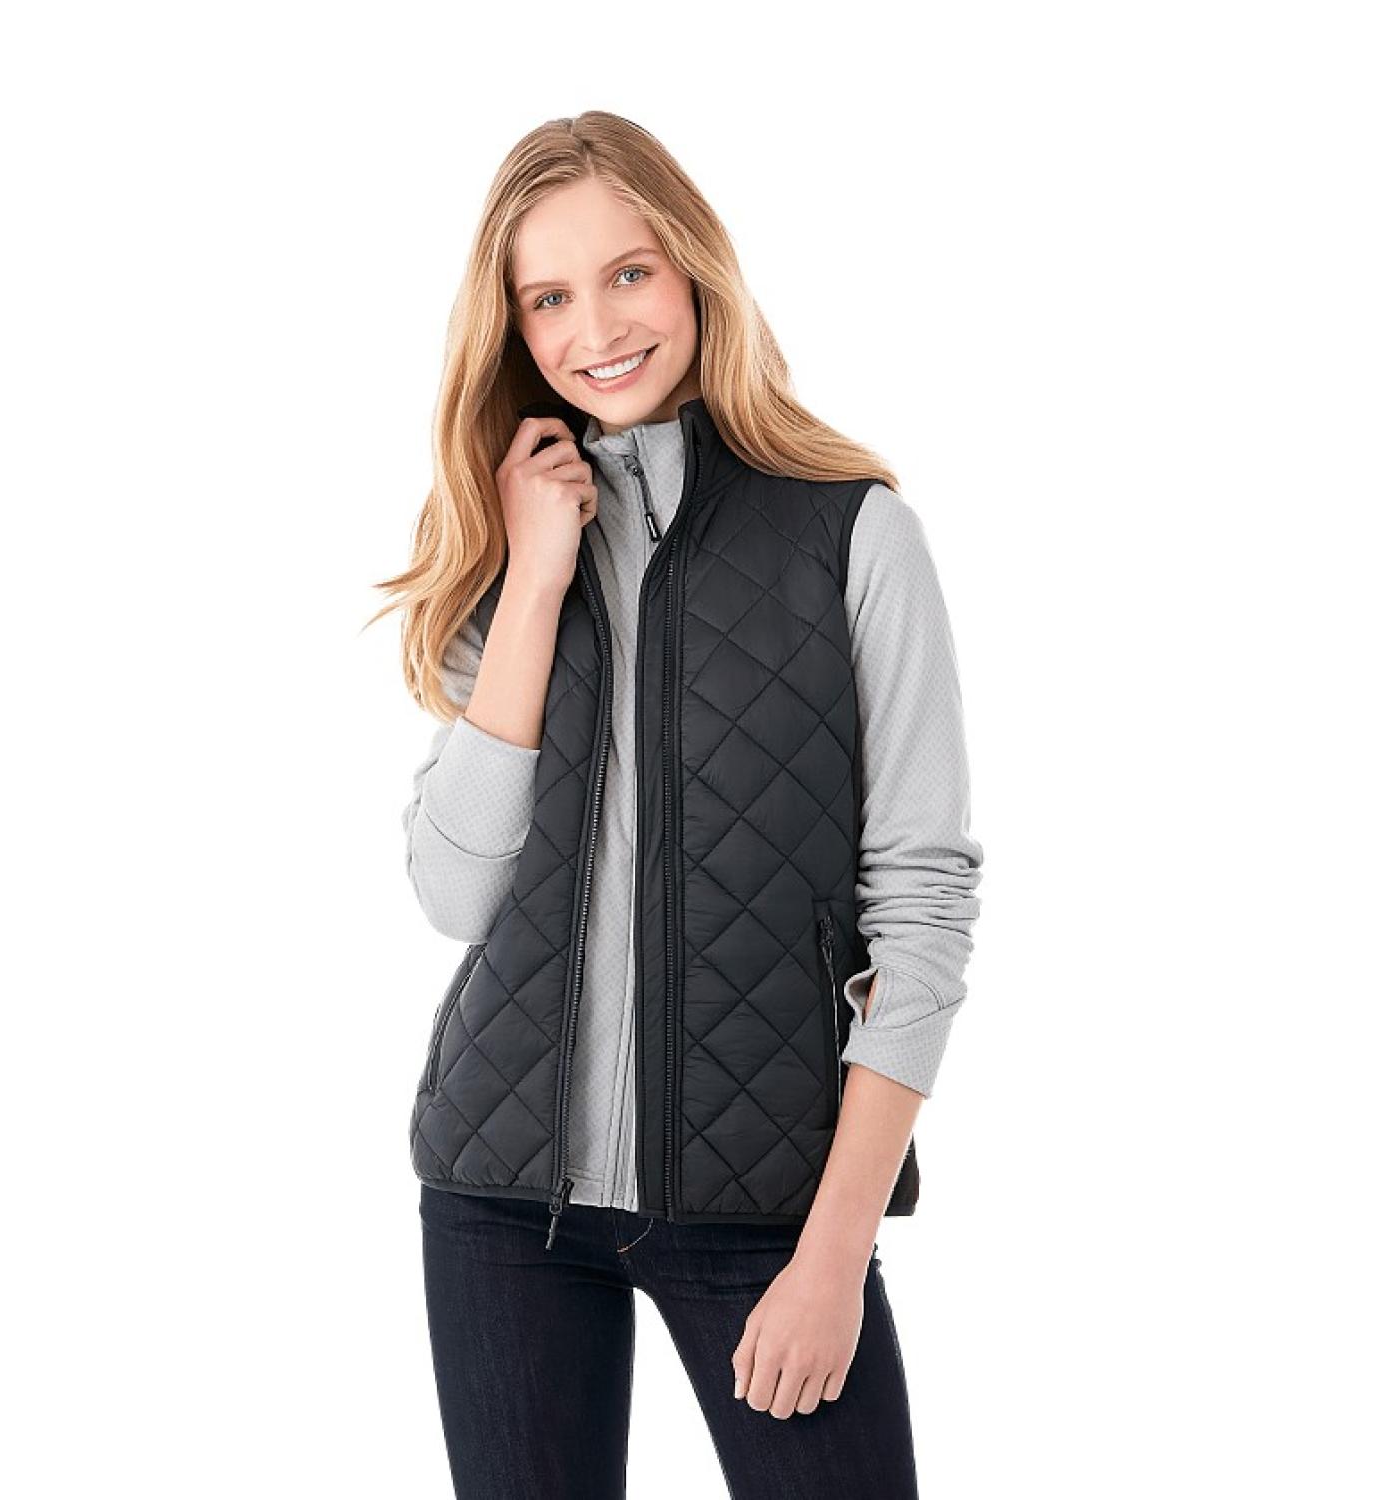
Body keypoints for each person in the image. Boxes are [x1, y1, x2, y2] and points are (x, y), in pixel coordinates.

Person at [373, 111, 984, 1500]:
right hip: (500, 1204)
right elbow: (456, 895)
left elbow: (923, 909)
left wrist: (836, 1252)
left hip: (767, 1211)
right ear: (512, 326)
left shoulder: (852, 532)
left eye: (629, 273)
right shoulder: (502, 545)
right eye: (549, 297)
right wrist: (536, 579)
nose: (597, 328)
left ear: (697, 267)